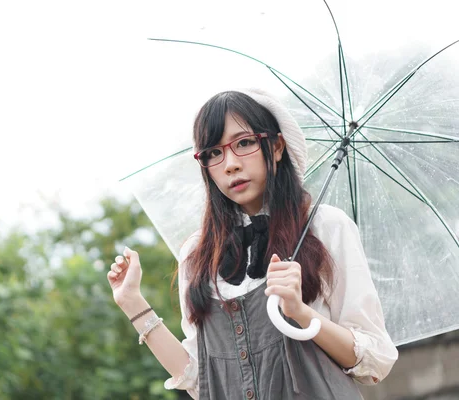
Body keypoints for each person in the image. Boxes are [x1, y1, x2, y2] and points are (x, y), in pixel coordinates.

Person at [107, 89, 398, 399]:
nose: (230, 164)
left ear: (275, 147)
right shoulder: (198, 253)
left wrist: (300, 312)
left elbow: (374, 360)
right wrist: (133, 304)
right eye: (213, 153)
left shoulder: (325, 227)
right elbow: (200, 380)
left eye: (243, 143)